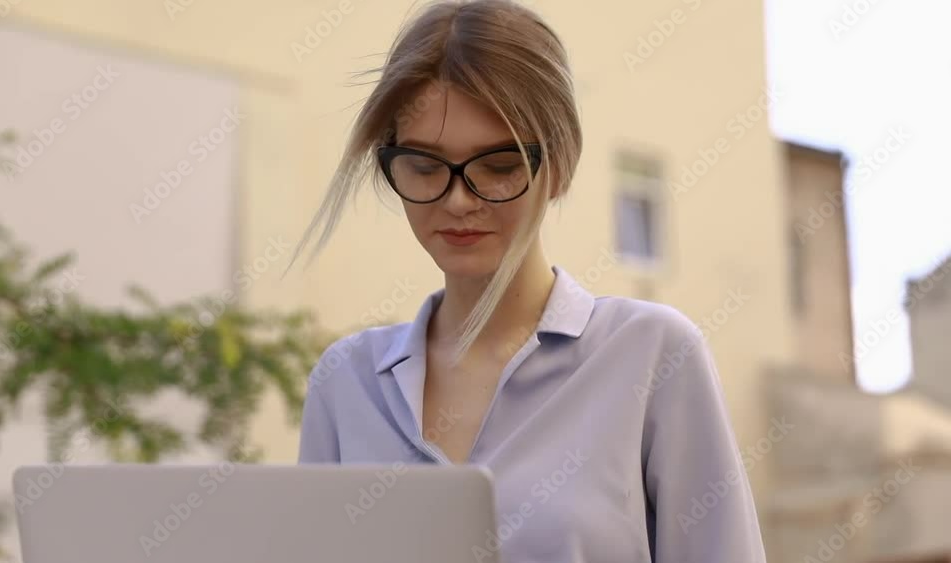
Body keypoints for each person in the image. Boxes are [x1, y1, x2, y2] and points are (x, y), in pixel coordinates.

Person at [289, 1, 767, 561]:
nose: (459, 199)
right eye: (424, 166)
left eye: (499, 165)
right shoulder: (346, 383)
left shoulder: (652, 354)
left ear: (559, 166)